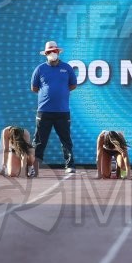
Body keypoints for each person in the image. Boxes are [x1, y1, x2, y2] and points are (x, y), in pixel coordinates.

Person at [31, 40, 78, 175]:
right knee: (39, 141)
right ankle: (34, 167)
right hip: (44, 111)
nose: (53, 53)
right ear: (46, 54)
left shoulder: (67, 68)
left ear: (58, 52)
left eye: (55, 51)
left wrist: (61, 92)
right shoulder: (40, 69)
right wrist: (47, 94)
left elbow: (73, 85)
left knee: (66, 140)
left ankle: (70, 165)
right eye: (50, 51)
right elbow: (34, 88)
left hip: (62, 111)